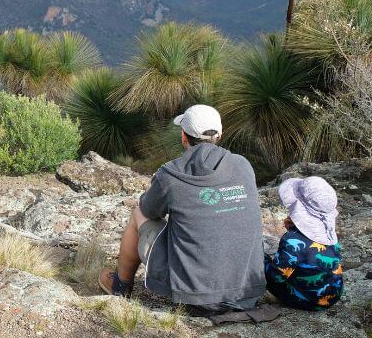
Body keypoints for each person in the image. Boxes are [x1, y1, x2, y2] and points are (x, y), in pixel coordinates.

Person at [98, 104, 266, 314]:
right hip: (247, 293)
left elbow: (149, 210)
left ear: (184, 137)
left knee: (137, 214)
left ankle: (120, 287)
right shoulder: (243, 165)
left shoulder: (171, 174)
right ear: (220, 135)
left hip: (197, 298)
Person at [264, 176, 343, 310]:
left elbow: (276, 278)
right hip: (334, 296)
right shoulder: (330, 234)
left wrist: (264, 260)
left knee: (262, 260)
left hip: (308, 301)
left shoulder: (291, 240)